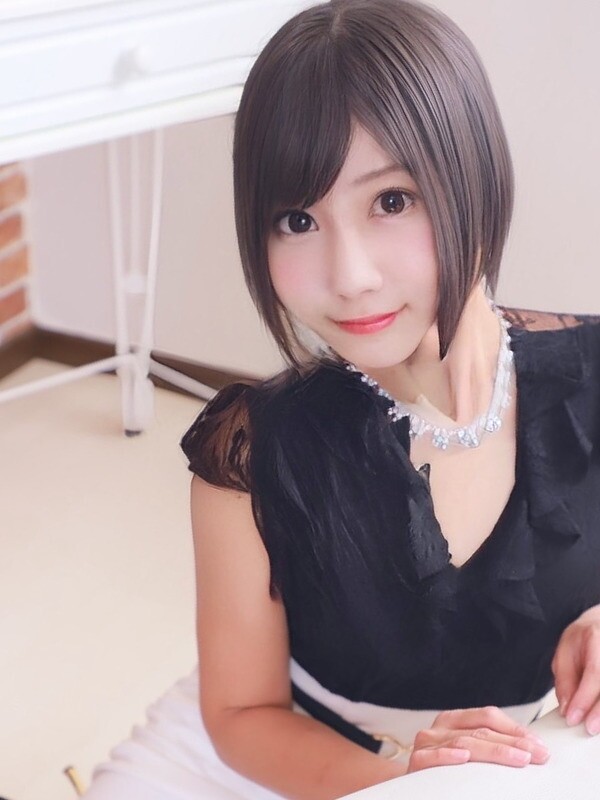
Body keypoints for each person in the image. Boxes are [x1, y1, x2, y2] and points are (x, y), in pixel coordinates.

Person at [84, 1, 600, 798]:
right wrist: (404, 784)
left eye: (391, 201)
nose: (349, 276)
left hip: (522, 761)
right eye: (298, 219)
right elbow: (243, 713)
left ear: (475, 173)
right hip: (296, 756)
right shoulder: (253, 449)